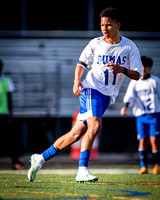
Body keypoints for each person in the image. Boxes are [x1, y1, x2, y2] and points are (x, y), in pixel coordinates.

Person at [28, 7, 142, 182]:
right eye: (102, 24)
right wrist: (76, 80)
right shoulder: (95, 43)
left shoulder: (129, 47)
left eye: (109, 25)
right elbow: (81, 63)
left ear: (118, 25)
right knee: (95, 126)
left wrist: (123, 70)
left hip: (106, 97)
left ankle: (39, 159)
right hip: (91, 90)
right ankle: (82, 170)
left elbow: (137, 74)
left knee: (75, 135)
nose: (105, 28)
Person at [121, 56, 160, 174]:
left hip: (154, 115)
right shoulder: (134, 82)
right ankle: (143, 166)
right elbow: (129, 96)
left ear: (149, 68)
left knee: (154, 140)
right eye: (142, 68)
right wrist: (125, 107)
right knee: (143, 140)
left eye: (145, 68)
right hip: (141, 116)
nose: (143, 70)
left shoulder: (155, 81)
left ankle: (156, 165)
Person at [0, 59, 23, 169]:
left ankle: (15, 161)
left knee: (11, 140)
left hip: (3, 114)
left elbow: (9, 99)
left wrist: (10, 115)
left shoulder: (6, 80)